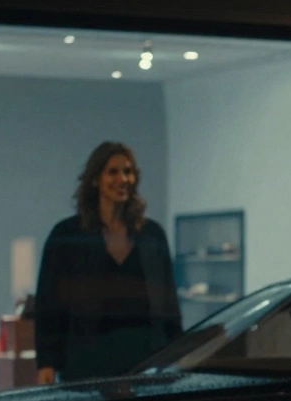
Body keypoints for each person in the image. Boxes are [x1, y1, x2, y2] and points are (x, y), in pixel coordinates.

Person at [34, 142, 182, 383]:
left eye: (128, 171)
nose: (122, 179)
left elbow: (169, 304)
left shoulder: (152, 235)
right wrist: (46, 362)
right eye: (113, 172)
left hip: (144, 361)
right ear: (95, 180)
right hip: (87, 361)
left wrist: (178, 355)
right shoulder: (67, 235)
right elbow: (49, 304)